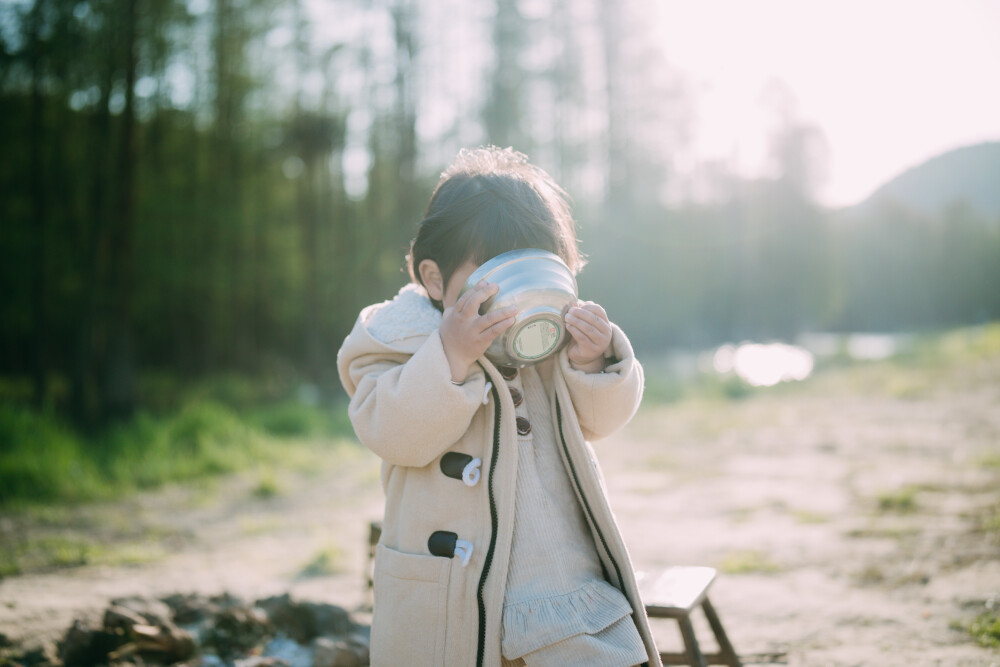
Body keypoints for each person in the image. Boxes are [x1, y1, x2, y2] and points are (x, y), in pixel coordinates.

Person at [337, 146, 660, 667]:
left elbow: (600, 422)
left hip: (558, 580)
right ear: (437, 280)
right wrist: (450, 356)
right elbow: (391, 433)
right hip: (450, 595)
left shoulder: (547, 343)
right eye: (493, 270)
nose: (518, 291)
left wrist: (594, 361)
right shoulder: (395, 339)